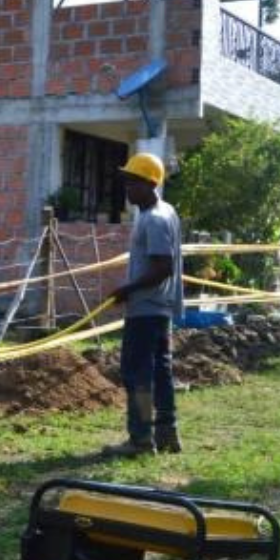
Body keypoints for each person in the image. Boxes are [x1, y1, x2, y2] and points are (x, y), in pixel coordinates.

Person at [101, 151, 184, 457]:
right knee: (160, 370)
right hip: (158, 308)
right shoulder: (165, 212)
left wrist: (127, 289)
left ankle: (140, 439)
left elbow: (162, 266)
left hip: (146, 307)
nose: (128, 189)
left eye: (133, 182)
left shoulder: (155, 219)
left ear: (151, 183)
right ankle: (167, 433)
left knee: (137, 371)